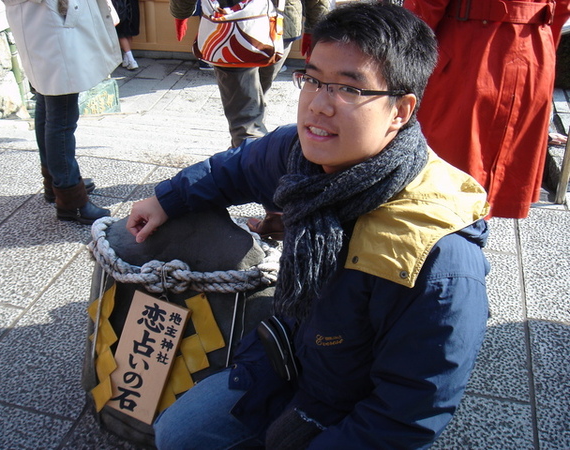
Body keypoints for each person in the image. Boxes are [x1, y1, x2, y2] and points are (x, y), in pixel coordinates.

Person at [127, 2, 491, 448]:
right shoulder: (300, 155)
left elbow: (408, 412)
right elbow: (236, 169)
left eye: (349, 89)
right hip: (285, 351)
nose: (318, 105)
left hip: (344, 404)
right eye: (313, 79)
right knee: (175, 434)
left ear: (400, 111)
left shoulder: (438, 258)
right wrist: (167, 198)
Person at [171, 0, 331, 239]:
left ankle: (276, 211)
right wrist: (316, 28)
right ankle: (243, 167)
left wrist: (181, 12)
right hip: (280, 23)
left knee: (246, 122)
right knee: (252, 107)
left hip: (232, 25)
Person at [404, 0, 570, 219]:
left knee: (440, 166)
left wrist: (402, 57)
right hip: (534, 48)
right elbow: (561, 9)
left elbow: (425, 7)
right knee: (479, 168)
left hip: (469, 47)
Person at [3, 0, 121, 225]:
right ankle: (70, 198)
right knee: (61, 115)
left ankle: (56, 182)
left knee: (47, 105)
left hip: (38, 23)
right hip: (50, 25)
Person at [112, 0, 141, 70]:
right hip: (132, 6)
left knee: (120, 34)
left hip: (120, 7)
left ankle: (131, 60)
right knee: (128, 33)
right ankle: (126, 59)